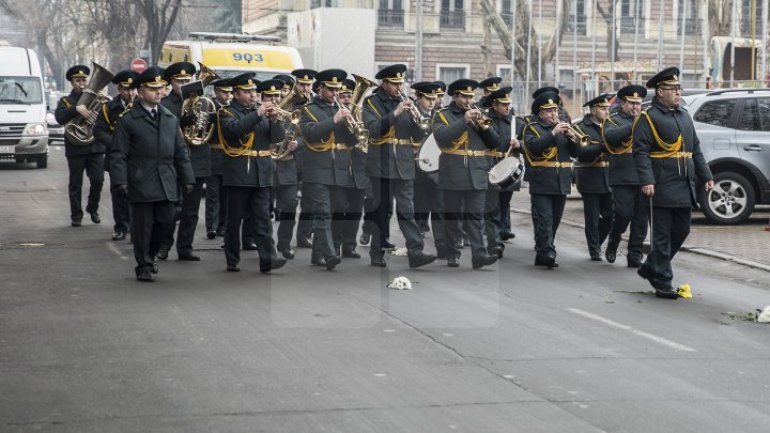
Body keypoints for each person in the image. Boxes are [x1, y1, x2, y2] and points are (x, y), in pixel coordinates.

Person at [634, 67, 714, 298]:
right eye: (673, 89)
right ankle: (663, 281)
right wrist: (647, 180)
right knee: (661, 234)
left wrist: (706, 175)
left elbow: (694, 149)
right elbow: (640, 152)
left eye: (679, 88)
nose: (678, 93)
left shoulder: (684, 115)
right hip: (660, 183)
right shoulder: (648, 117)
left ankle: (651, 266)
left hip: (683, 183)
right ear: (660, 92)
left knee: (682, 230)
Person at [109, 66, 195, 282]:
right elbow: (118, 154)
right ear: (140, 92)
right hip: (141, 179)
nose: (159, 92)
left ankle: (152, 254)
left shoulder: (169, 118)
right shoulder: (128, 120)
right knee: (143, 227)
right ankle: (144, 265)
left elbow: (180, 152)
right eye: (153, 88)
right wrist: (120, 182)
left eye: (161, 88)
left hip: (166, 179)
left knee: (166, 223)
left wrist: (188, 178)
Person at [362, 63, 436, 268]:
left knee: (407, 211)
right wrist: (395, 113)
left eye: (400, 83)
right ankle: (376, 253)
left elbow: (417, 134)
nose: (398, 87)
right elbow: (375, 130)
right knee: (381, 211)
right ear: (384, 83)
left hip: (404, 165)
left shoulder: (407, 102)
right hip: (381, 164)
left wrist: (420, 122)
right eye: (394, 83)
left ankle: (415, 252)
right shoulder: (371, 103)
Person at [218, 75, 287, 273]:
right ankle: (232, 259)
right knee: (234, 221)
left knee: (263, 219)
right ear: (236, 94)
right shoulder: (227, 112)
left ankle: (268, 259)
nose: (252, 95)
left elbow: (277, 138)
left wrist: (275, 120)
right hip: (239, 174)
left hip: (261, 173)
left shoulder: (263, 114)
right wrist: (258, 113)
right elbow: (234, 131)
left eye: (254, 92)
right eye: (247, 92)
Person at [432, 78, 499, 269]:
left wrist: (483, 126)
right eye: (465, 97)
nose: (469, 100)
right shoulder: (443, 115)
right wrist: (464, 121)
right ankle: (453, 253)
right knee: (453, 217)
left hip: (477, 172)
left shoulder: (481, 114)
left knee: (476, 217)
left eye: (471, 96)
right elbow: (442, 137)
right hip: (453, 172)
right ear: (455, 97)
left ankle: (479, 255)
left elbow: (494, 142)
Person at [298, 69, 357, 270]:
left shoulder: (341, 109)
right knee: (323, 213)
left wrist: (353, 127)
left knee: (337, 209)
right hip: (317, 169)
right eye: (331, 89)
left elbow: (353, 141)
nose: (335, 93)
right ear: (320, 88)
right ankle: (330, 254)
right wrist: (334, 120)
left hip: (339, 170)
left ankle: (317, 254)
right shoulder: (308, 109)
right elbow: (310, 133)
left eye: (337, 89)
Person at [521, 90, 581, 268]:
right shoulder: (532, 128)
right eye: (548, 110)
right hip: (542, 181)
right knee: (545, 220)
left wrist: (572, 138)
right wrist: (553, 133)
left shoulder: (564, 128)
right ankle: (548, 251)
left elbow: (577, 153)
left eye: (555, 110)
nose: (554, 114)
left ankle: (542, 251)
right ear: (540, 113)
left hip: (561, 181)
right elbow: (534, 147)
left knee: (554, 221)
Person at [602, 84, 648, 267]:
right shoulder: (612, 120)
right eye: (631, 103)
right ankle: (614, 238)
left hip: (644, 175)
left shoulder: (647, 120)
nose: (635, 107)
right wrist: (635, 124)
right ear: (622, 104)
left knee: (641, 218)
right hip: (622, 175)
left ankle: (635, 254)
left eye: (638, 103)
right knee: (623, 214)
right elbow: (611, 138)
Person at [156, 61, 197, 260]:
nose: (184, 84)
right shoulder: (164, 104)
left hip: (197, 160)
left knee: (191, 210)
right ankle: (164, 244)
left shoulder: (200, 102)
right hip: (173, 161)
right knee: (172, 208)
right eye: (180, 81)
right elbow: (163, 130)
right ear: (171, 82)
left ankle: (185, 248)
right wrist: (182, 122)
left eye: (187, 81)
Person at [55, 65, 105, 227]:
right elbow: (60, 118)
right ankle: (76, 215)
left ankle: (93, 207)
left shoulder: (96, 97)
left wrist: (104, 105)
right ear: (72, 82)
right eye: (78, 80)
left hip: (95, 147)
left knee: (98, 180)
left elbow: (104, 119)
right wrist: (76, 110)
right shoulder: (66, 101)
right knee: (75, 184)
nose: (82, 83)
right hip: (75, 148)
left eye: (84, 80)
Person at [93, 70, 137, 241]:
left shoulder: (141, 105)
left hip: (136, 156)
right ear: (119, 89)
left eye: (133, 89)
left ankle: (135, 225)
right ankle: (120, 226)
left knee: (136, 192)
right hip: (117, 157)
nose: (130, 93)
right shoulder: (108, 107)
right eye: (127, 89)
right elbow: (98, 130)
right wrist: (115, 144)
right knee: (119, 192)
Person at [481, 85, 523, 258]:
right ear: (494, 105)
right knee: (492, 208)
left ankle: (497, 237)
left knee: (503, 207)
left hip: (509, 172)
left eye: (508, 104)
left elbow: (528, 145)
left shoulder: (517, 123)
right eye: (503, 104)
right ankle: (495, 243)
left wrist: (519, 145)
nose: (507, 107)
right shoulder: (485, 120)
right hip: (490, 168)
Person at [572, 94, 613, 261]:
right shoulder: (580, 127)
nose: (606, 112)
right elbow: (582, 153)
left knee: (610, 215)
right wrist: (603, 147)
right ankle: (594, 249)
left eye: (607, 109)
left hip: (609, 177)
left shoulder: (610, 125)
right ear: (594, 109)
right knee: (592, 217)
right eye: (603, 109)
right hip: (589, 176)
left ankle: (597, 242)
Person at [411, 81, 449, 258]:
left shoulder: (440, 116)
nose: (432, 102)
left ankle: (442, 246)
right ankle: (417, 247)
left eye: (434, 98)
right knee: (419, 207)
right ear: (418, 97)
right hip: (416, 167)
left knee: (440, 207)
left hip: (437, 168)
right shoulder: (410, 113)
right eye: (428, 98)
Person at [271, 73, 301, 259]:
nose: (283, 94)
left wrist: (297, 143)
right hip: (267, 166)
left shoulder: (295, 114)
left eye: (287, 90)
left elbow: (304, 136)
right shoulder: (265, 110)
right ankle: (267, 245)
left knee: (290, 206)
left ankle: (284, 243)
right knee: (264, 209)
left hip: (287, 165)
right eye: (280, 90)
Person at [291, 68, 319, 249]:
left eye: (309, 85)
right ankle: (283, 239)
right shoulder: (289, 102)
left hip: (309, 155)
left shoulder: (316, 103)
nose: (306, 88)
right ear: (296, 84)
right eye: (302, 84)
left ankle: (304, 235)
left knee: (309, 200)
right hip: (290, 156)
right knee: (289, 200)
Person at [204, 78, 233, 239]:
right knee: (213, 194)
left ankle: (223, 226)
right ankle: (211, 226)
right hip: (213, 154)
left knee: (226, 194)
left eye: (229, 92)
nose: (227, 95)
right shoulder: (209, 107)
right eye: (224, 92)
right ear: (216, 92)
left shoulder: (232, 108)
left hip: (229, 155)